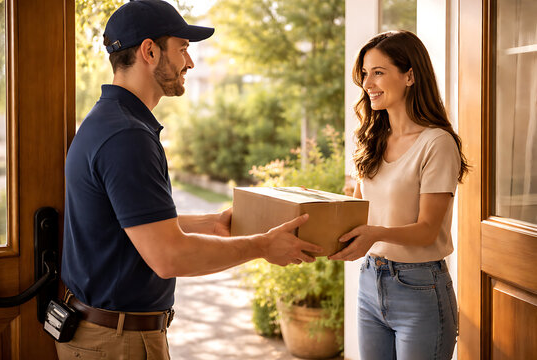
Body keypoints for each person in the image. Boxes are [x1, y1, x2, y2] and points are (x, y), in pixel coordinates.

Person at [58, 1, 322, 359]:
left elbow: (134, 228)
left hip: (103, 334)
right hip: (117, 343)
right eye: (182, 49)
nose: (190, 62)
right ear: (149, 51)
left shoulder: (109, 120)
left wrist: (213, 223)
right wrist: (262, 247)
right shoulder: (127, 137)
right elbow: (169, 255)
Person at [329, 30, 469, 360]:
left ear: (410, 76)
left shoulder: (437, 144)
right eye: (365, 73)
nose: (367, 83)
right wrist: (321, 212)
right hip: (370, 281)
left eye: (379, 72)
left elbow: (427, 230)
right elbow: (359, 209)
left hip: (420, 288)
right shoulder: (369, 138)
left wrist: (375, 233)